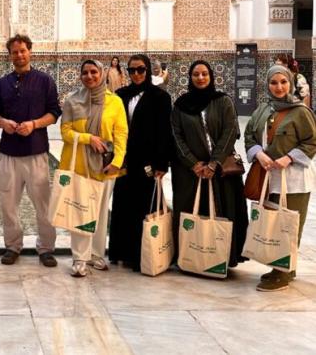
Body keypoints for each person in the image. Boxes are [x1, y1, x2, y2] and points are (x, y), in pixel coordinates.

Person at [0, 34, 62, 267]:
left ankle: (46, 248)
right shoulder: (2, 83)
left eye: (23, 50)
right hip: (9, 153)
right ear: (10, 55)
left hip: (36, 152)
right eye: (15, 52)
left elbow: (54, 113)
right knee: (9, 204)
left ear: (30, 51)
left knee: (43, 203)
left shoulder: (44, 81)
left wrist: (34, 124)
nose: (19, 55)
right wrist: (4, 124)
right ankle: (13, 246)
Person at [244, 64, 316, 291]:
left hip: (294, 180)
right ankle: (281, 268)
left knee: (290, 225)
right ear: (267, 84)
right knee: (274, 223)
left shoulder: (301, 112)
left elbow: (312, 141)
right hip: (269, 176)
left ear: (291, 84)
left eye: (283, 82)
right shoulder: (263, 110)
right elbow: (249, 135)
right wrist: (258, 153)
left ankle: (284, 273)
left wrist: (289, 158)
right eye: (274, 83)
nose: (279, 87)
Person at [171, 60, 248, 271]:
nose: (201, 78)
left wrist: (214, 163)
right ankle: (192, 256)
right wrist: (193, 163)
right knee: (193, 213)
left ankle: (223, 257)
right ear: (190, 77)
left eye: (204, 74)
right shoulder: (181, 105)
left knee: (223, 211)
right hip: (191, 172)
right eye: (196, 74)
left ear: (211, 76)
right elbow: (176, 136)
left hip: (221, 170)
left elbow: (230, 132)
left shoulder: (223, 101)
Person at [59, 60, 128, 277]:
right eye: (85, 73)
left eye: (93, 72)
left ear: (101, 74)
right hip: (80, 165)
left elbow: (121, 134)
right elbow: (65, 132)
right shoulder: (73, 101)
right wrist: (88, 139)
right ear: (80, 76)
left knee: (99, 213)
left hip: (106, 167)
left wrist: (117, 161)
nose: (89, 76)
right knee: (81, 211)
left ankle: (96, 254)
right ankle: (80, 257)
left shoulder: (114, 102)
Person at [108, 54, 173, 271]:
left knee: (145, 206)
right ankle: (122, 252)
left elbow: (165, 132)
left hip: (147, 162)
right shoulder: (120, 95)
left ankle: (142, 254)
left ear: (148, 71)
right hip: (125, 161)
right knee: (123, 205)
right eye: (132, 70)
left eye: (141, 70)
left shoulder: (160, 97)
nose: (136, 74)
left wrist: (162, 164)